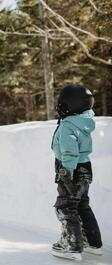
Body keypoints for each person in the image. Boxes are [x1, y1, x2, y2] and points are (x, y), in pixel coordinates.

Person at [51, 84, 102, 261]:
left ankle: (71, 245)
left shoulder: (68, 125)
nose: (59, 106)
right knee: (82, 205)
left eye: (61, 103)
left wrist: (66, 171)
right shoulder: (84, 123)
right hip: (86, 169)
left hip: (70, 171)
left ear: (69, 106)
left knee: (66, 207)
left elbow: (70, 151)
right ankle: (93, 242)